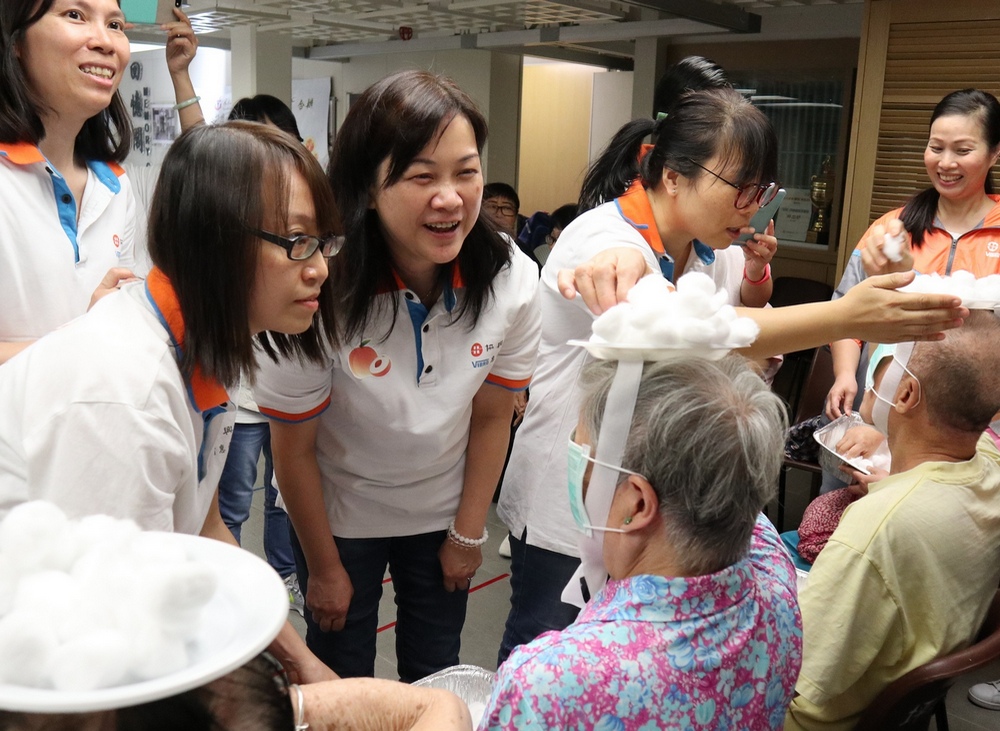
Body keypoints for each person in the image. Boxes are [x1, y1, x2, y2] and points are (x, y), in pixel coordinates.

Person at [0, 122, 341, 683]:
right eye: (297, 242)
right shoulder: (125, 398)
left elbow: (202, 523)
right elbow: (102, 655)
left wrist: (301, 663)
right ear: (216, 244)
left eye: (323, 242)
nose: (320, 268)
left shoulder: (201, 350)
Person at [254, 70, 541, 682]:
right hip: (339, 515)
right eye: (421, 176)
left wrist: (468, 535)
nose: (451, 198)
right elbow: (293, 449)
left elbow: (493, 417)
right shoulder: (317, 285)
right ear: (368, 186)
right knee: (341, 675)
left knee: (435, 670)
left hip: (442, 510)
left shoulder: (511, 277)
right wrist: (325, 567)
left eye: (466, 171)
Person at [496, 82, 782, 664]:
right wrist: (849, 315)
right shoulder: (601, 241)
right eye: (740, 188)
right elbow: (690, 335)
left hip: (651, 504)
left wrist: (754, 287)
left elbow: (743, 347)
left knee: (619, 670)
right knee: (546, 663)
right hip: (570, 498)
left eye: (763, 191)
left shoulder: (717, 250)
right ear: (673, 175)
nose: (752, 207)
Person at [482, 355, 801, 730]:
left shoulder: (548, 686)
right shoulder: (777, 587)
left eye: (582, 457)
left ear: (637, 503)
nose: (578, 472)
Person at [786, 311, 1000, 731]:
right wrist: (891, 451)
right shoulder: (991, 468)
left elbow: (797, 679)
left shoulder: (879, 527)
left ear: (904, 395)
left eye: (883, 365)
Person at [825, 88, 1000, 421]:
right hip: (876, 412)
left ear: (994, 154)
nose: (946, 163)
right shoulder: (893, 227)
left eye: (963, 150)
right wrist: (846, 374)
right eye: (936, 148)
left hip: (972, 424)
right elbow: (845, 312)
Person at [0, 0, 142, 365]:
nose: (106, 42)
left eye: (115, 24)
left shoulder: (115, 186)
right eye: (75, 15)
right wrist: (83, 341)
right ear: (15, 40)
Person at [217, 93, 307, 615]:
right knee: (230, 500)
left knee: (285, 496)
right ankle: (225, 588)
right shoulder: (227, 214)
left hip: (296, 390)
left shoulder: (306, 209)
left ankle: (282, 578)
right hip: (241, 392)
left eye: (277, 139)